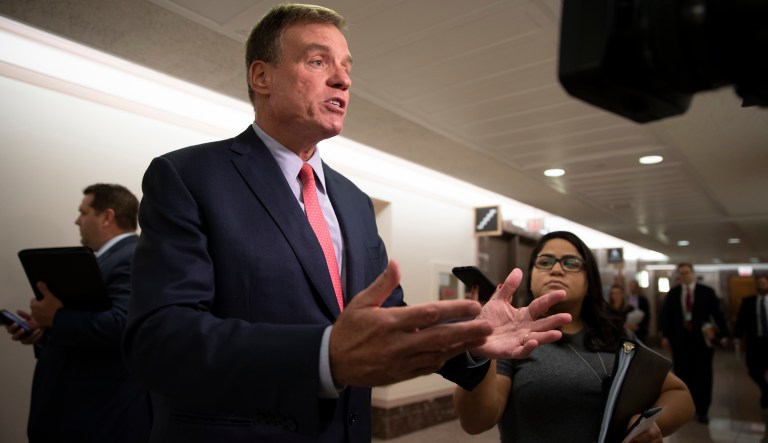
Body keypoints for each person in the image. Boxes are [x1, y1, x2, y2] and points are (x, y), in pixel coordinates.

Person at [122, 4, 570, 443]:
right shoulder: (190, 176)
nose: (343, 78)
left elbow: (387, 317)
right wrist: (323, 357)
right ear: (261, 76)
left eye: (346, 66)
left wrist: (469, 339)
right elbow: (160, 340)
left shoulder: (354, 202)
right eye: (318, 61)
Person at [453, 231, 694, 442]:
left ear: (589, 281)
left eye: (570, 263)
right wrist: (483, 350)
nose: (556, 269)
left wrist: (648, 427)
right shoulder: (515, 342)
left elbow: (680, 395)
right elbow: (476, 422)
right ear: (532, 277)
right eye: (545, 261)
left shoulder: (615, 334)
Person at [4, 184, 151, 443]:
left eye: (83, 213)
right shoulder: (106, 259)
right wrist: (43, 332)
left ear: (107, 217)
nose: (77, 220)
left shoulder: (132, 257)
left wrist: (57, 318)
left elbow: (123, 326)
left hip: (98, 418)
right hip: (82, 415)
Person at [659, 262, 730, 424]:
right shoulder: (673, 293)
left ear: (693, 273)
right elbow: (665, 316)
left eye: (686, 273)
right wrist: (664, 335)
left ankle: (703, 410)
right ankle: (686, 408)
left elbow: (718, 314)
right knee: (683, 376)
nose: (684, 276)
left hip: (702, 341)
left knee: (703, 376)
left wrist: (725, 334)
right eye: (681, 274)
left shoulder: (707, 292)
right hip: (680, 341)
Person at [734, 274, 768, 410]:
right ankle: (766, 390)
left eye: (764, 283)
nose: (761, 286)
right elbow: (741, 321)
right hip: (755, 342)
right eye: (759, 284)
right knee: (754, 370)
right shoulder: (748, 301)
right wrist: (737, 337)